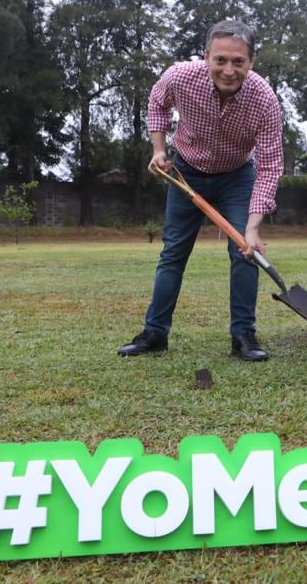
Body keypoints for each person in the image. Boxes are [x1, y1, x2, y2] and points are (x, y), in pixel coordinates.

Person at [117, 20, 283, 362]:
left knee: (245, 252)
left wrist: (252, 229)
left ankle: (243, 335)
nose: (228, 70)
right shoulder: (180, 77)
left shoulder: (265, 100)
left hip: (237, 176)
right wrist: (159, 149)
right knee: (173, 253)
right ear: (206, 56)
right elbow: (156, 101)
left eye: (238, 62)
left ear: (251, 62)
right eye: (220, 60)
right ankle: (155, 333)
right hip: (186, 173)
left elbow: (269, 166)